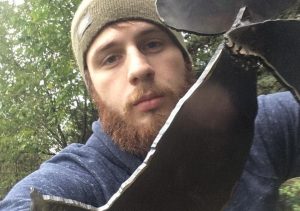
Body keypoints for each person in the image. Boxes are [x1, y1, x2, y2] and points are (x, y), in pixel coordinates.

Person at [0, 0, 299, 210]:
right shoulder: (84, 178)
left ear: (186, 61)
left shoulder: (256, 127)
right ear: (93, 91)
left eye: (153, 44)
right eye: (110, 58)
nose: (139, 68)